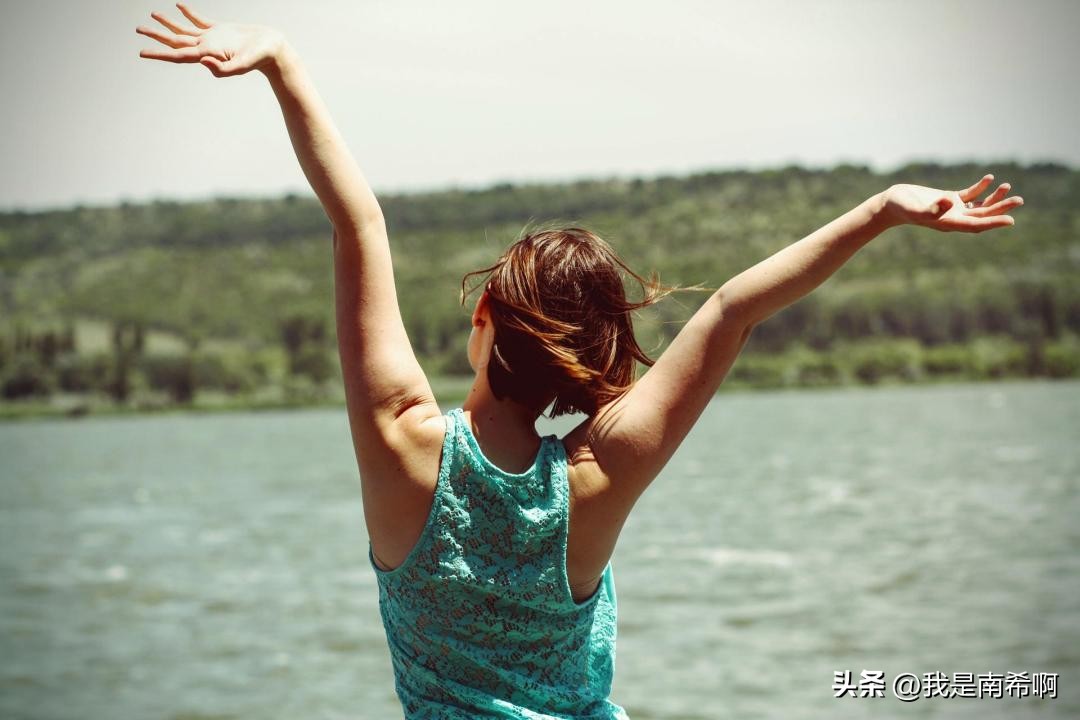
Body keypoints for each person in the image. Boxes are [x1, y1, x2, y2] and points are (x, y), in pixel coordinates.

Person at [137, 5, 1024, 718]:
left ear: (483, 316)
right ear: (597, 364)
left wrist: (282, 60)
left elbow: (357, 223)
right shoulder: (599, 477)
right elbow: (733, 307)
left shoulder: (404, 449)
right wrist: (879, 211)